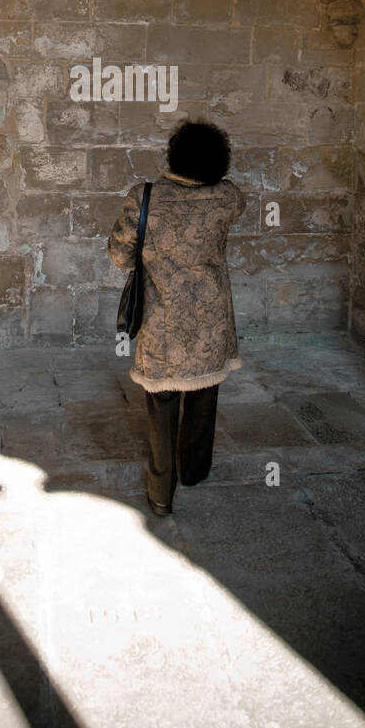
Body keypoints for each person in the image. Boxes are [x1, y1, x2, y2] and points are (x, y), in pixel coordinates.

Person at [107, 120, 246, 516]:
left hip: (162, 322)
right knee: (204, 398)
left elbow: (119, 255)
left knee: (162, 406)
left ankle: (160, 494)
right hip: (211, 319)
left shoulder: (145, 197)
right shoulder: (228, 197)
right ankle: (195, 471)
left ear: (174, 154)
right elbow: (233, 206)